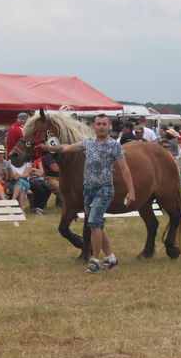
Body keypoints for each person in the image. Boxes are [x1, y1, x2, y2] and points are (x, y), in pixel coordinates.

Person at [38, 114, 135, 274]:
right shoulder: (88, 143)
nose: (102, 127)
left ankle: (95, 260)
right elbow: (66, 148)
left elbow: (124, 169)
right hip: (88, 189)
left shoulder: (114, 146)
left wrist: (131, 191)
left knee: (95, 224)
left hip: (104, 189)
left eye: (104, 124)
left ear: (109, 127)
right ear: (94, 127)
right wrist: (49, 148)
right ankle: (111, 257)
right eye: (99, 124)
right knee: (95, 224)